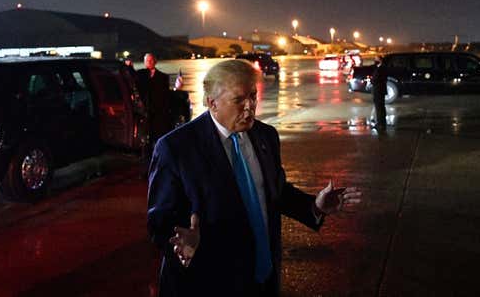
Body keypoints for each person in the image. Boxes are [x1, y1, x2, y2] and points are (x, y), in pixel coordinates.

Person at [147, 59, 362, 297]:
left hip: (263, 280)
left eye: (252, 96)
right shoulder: (176, 148)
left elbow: (275, 191)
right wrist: (183, 243)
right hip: (208, 281)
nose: (250, 106)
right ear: (212, 103)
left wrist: (314, 206)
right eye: (239, 100)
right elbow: (159, 221)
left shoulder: (265, 136)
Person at [137, 53, 172, 146]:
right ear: (144, 62)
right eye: (147, 60)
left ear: (155, 61)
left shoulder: (163, 77)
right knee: (145, 135)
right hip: (144, 110)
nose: (149, 62)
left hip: (158, 111)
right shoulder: (140, 74)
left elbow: (166, 95)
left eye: (151, 60)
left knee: (158, 135)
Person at [370, 55, 387, 130]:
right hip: (381, 90)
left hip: (378, 90)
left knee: (379, 107)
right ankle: (382, 123)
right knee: (381, 107)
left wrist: (371, 80)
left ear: (380, 60)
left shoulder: (380, 68)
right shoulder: (381, 68)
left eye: (376, 59)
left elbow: (376, 79)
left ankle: (380, 124)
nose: (374, 61)